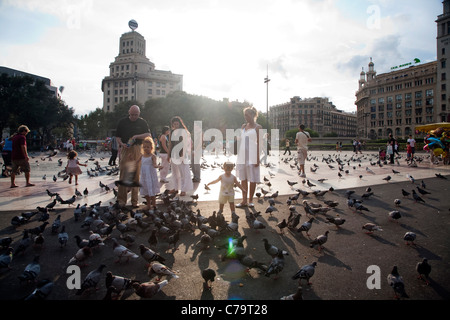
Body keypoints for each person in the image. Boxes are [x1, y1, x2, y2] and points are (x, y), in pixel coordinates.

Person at [115, 105, 151, 208]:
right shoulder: (122, 122)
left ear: (139, 114)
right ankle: (121, 200)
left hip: (138, 148)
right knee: (124, 173)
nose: (134, 116)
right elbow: (117, 136)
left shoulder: (142, 122)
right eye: (132, 114)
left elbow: (148, 134)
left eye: (136, 114)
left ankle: (134, 201)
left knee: (136, 174)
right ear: (129, 112)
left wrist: (136, 136)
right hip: (126, 148)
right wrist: (121, 144)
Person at [236, 106, 262, 208]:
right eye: (244, 115)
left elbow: (260, 143)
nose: (245, 117)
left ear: (252, 115)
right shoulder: (243, 126)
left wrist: (257, 158)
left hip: (252, 154)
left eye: (247, 115)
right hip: (242, 155)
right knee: (243, 178)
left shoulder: (258, 127)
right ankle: (244, 200)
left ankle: (250, 200)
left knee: (252, 178)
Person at [168, 116, 193, 197]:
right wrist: (169, 155)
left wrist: (182, 155)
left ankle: (183, 189)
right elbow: (170, 144)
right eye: (174, 124)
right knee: (175, 173)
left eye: (177, 124)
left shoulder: (184, 132)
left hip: (182, 154)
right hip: (174, 155)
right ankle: (175, 188)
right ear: (172, 125)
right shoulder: (172, 132)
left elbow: (185, 144)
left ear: (180, 124)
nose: (176, 125)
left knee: (183, 173)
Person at [140, 137, 162, 211]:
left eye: (148, 147)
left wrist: (159, 166)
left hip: (151, 175)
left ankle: (154, 205)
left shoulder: (153, 156)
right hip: (144, 176)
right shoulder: (142, 156)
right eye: (144, 147)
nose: (146, 148)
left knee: (151, 190)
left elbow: (154, 165)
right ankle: (148, 204)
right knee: (146, 190)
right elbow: (136, 162)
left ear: (151, 147)